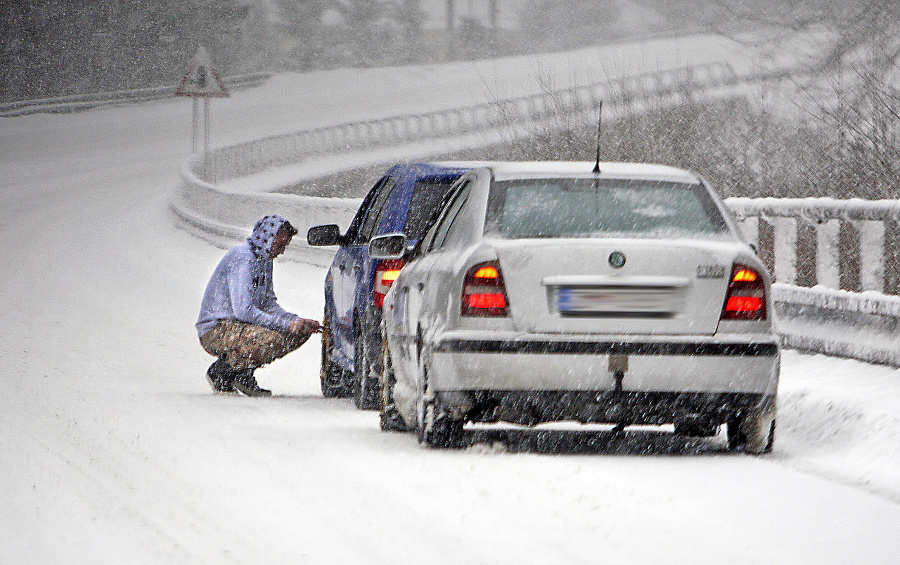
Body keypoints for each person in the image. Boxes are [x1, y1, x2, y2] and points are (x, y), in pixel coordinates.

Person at [197, 214, 321, 396]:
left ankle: (242, 372)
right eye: (280, 245)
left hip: (239, 326)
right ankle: (223, 372)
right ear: (267, 238)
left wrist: (296, 321)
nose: (282, 252)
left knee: (298, 333)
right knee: (273, 339)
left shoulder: (264, 260)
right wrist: (287, 325)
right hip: (216, 329)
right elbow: (244, 311)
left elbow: (268, 304)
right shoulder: (243, 258)